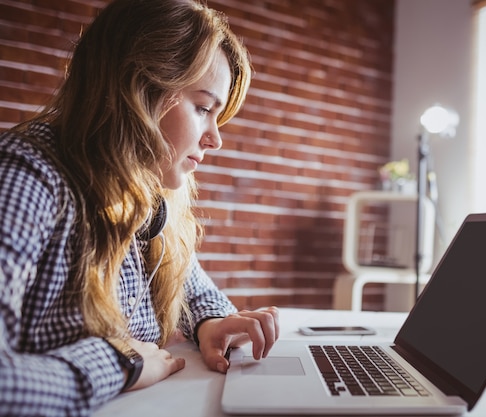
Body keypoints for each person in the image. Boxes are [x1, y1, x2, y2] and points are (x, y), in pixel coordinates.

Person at [0, 0, 279, 415]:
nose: (215, 139)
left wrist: (209, 322)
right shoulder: (25, 177)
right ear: (138, 89)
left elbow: (189, 283)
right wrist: (119, 363)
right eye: (203, 108)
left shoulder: (144, 195)